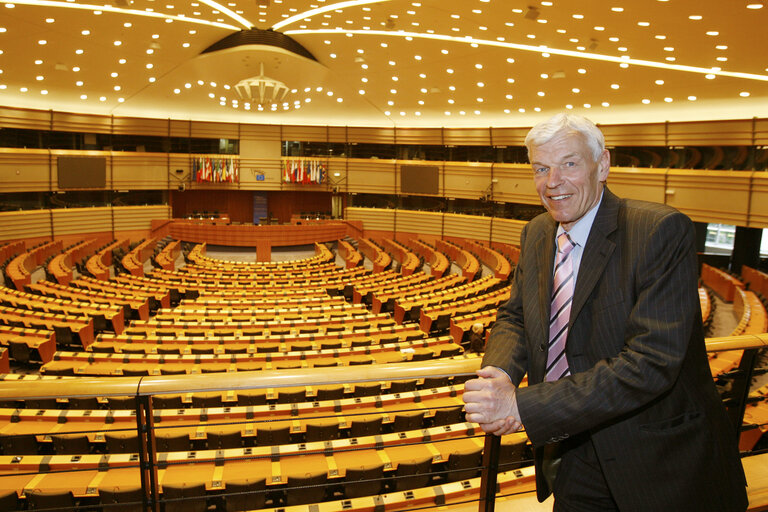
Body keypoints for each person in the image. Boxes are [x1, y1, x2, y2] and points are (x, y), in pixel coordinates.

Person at [462, 113, 747, 511]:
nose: (552, 181)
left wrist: (521, 406)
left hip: (656, 459)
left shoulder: (659, 231)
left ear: (604, 165)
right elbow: (517, 317)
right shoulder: (537, 232)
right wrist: (498, 377)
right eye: (541, 168)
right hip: (571, 452)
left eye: (569, 164)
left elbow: (651, 362)